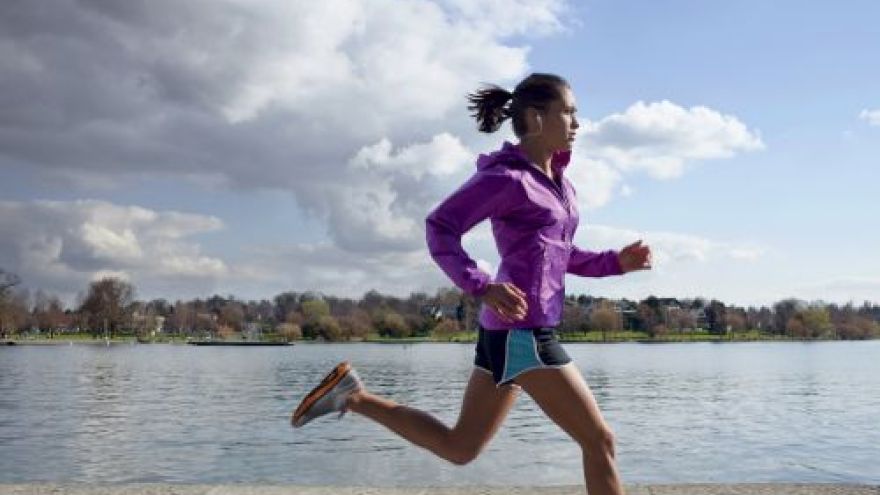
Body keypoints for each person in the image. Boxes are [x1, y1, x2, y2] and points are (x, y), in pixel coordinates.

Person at [291, 73, 652, 495]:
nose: (577, 123)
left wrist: (615, 263)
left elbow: (558, 252)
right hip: (523, 333)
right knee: (599, 440)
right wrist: (481, 285)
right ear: (536, 119)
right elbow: (440, 226)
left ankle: (353, 396)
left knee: (460, 447)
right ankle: (352, 397)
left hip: (510, 335)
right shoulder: (508, 180)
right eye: (569, 113)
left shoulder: (558, 184)